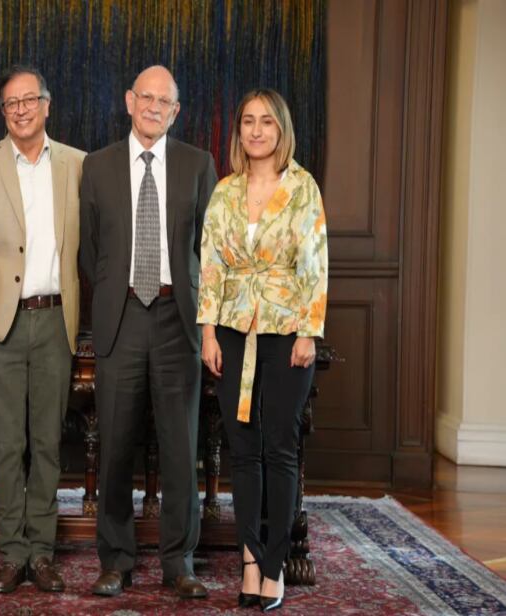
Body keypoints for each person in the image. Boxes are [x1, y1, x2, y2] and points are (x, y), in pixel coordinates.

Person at [79, 65, 216, 599]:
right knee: (114, 445)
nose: (154, 107)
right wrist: (119, 293)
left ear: (176, 111)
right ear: (129, 100)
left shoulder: (198, 165)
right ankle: (115, 560)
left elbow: (208, 249)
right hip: (121, 317)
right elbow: (92, 249)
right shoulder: (97, 166)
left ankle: (179, 562)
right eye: (146, 98)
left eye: (166, 101)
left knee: (181, 447)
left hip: (175, 317)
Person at [197, 88, 328, 612]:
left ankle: (274, 568)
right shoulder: (225, 191)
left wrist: (308, 331)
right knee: (243, 451)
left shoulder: (302, 188)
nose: (256, 130)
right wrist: (208, 332)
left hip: (285, 331)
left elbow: (315, 263)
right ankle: (249, 560)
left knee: (279, 449)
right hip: (232, 331)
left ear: (281, 130)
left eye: (266, 122)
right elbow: (209, 264)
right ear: (239, 131)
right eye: (248, 121)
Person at [0, 65, 85, 594]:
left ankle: (43, 553)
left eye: (29, 100)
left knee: (48, 443)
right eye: (10, 103)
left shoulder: (78, 165)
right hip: (1, 326)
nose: (21, 110)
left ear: (47, 105)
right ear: (3, 111)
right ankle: (12, 552)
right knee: (7, 444)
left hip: (56, 319)